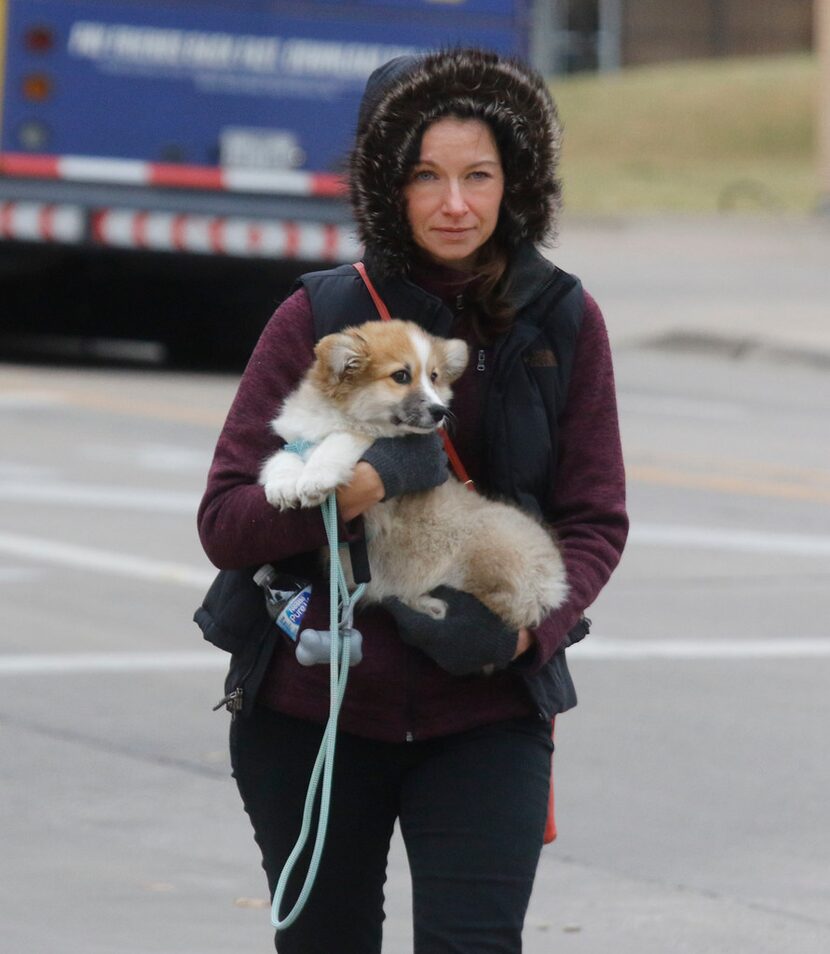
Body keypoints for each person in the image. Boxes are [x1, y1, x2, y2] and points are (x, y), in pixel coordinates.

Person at [196, 47, 628, 954]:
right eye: (427, 176)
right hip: (311, 716)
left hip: (486, 715)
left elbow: (594, 521)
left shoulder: (563, 320)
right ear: (387, 185)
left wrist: (523, 633)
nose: (455, 204)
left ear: (518, 181)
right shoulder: (319, 318)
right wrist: (358, 487)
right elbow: (226, 523)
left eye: (479, 175)